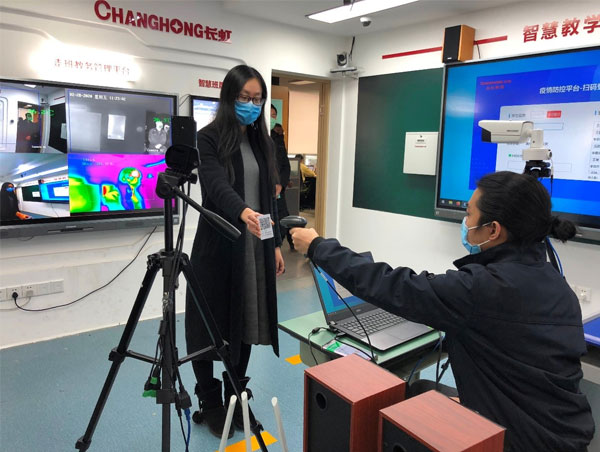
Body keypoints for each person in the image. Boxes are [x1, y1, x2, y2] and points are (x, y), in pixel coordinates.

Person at [291, 171, 594, 452]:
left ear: (493, 230)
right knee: (421, 390)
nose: (465, 221)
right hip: (563, 434)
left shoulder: (481, 289)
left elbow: (392, 285)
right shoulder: (557, 284)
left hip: (517, 440)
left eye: (469, 214)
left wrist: (318, 246)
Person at [185, 65, 285, 439]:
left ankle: (235, 398)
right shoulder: (208, 138)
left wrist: (275, 242)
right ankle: (210, 402)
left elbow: (269, 199)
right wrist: (242, 212)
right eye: (245, 98)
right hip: (218, 247)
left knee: (245, 323)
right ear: (229, 97)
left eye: (257, 99)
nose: (251, 105)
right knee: (207, 327)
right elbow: (214, 185)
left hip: (255, 246)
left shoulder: (263, 142)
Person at [270, 104, 293, 249]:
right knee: (265, 224)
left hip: (278, 191)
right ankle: (270, 248)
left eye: (274, 116)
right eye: (269, 115)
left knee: (283, 221)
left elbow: (285, 165)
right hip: (262, 191)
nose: (271, 118)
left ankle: (278, 246)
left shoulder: (278, 137)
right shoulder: (254, 136)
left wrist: (281, 184)